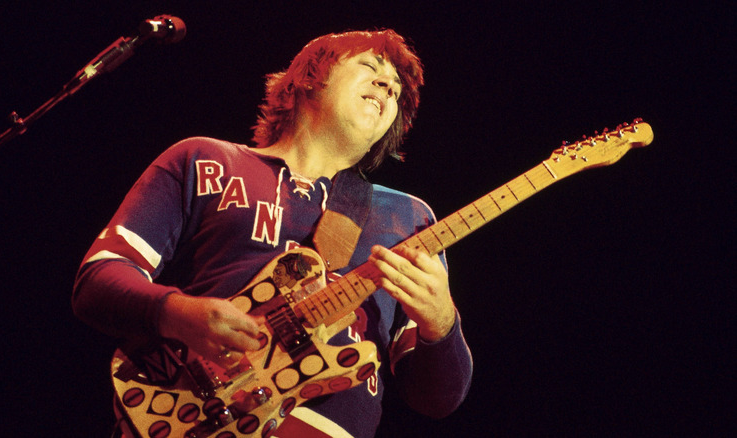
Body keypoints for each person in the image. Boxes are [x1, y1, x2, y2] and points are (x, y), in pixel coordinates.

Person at [73, 29, 472, 438]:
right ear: (308, 79)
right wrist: (179, 313)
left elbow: (438, 399)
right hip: (193, 417)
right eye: (370, 66)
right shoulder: (205, 160)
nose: (388, 85)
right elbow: (98, 281)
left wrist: (441, 322)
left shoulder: (409, 218)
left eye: (397, 86)